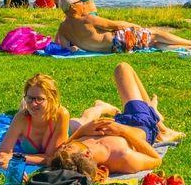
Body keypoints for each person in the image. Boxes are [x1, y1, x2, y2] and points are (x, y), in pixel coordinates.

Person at [50, 63, 179, 178]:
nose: (64, 145)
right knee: (123, 68)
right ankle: (159, 125)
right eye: (68, 146)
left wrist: (82, 130)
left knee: (74, 123)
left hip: (116, 123)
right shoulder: (122, 157)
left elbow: (56, 151)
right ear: (87, 154)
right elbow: (156, 160)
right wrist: (122, 131)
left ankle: (102, 107)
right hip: (138, 122)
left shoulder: (72, 156)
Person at [54, 0, 191, 53]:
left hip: (111, 49)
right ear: (73, 7)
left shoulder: (63, 28)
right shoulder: (88, 19)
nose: (83, 4)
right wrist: (135, 26)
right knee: (154, 33)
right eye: (80, 2)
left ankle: (188, 47)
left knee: (153, 42)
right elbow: (116, 25)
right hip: (119, 41)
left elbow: (66, 49)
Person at [0, 74, 70, 168]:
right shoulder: (21, 118)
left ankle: (94, 108)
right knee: (24, 110)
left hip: (65, 126)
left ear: (52, 99)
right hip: (27, 117)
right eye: (29, 98)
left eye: (39, 99)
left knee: (83, 121)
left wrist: (16, 157)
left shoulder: (61, 115)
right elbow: (2, 154)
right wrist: (8, 164)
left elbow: (51, 157)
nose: (33, 103)